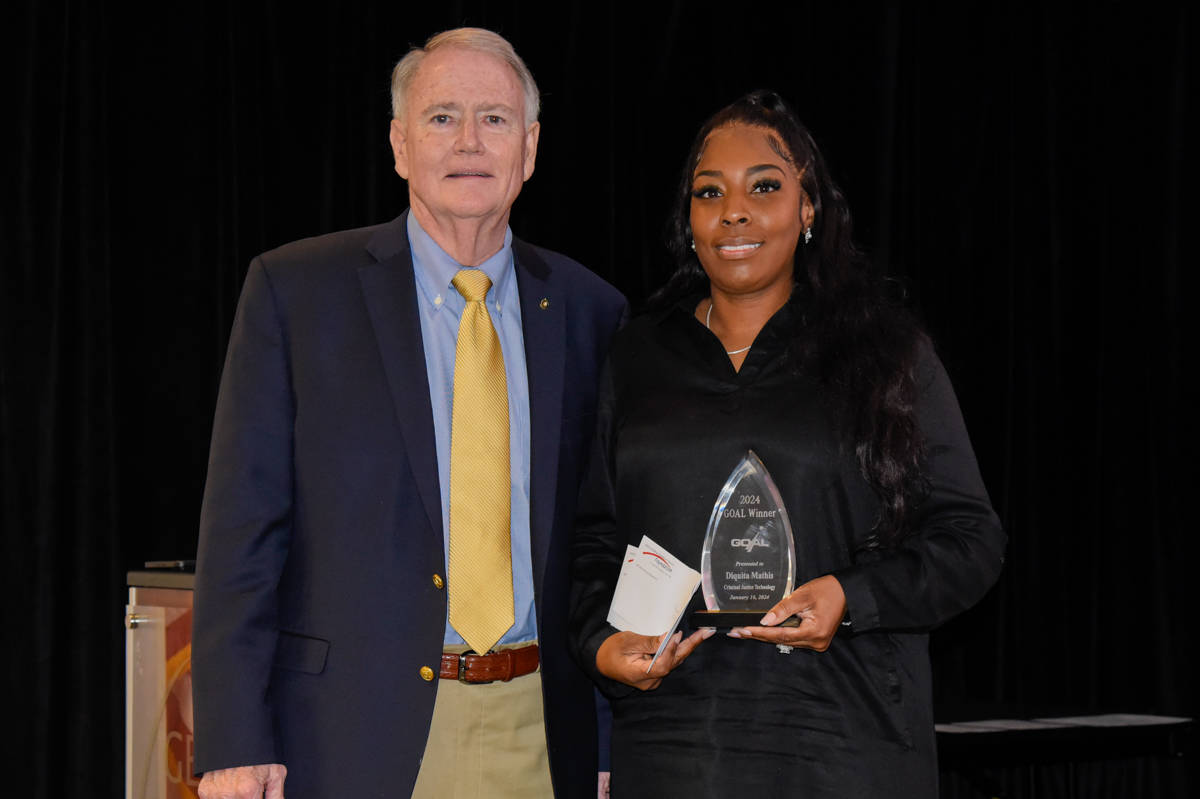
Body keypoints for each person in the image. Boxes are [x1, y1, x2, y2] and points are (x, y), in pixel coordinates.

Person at [191, 28, 627, 799]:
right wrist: (233, 738)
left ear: (528, 149)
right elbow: (241, 534)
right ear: (398, 145)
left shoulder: (592, 312)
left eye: (494, 119)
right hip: (348, 732)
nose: (468, 140)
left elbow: (602, 542)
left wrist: (602, 735)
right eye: (441, 117)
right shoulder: (295, 292)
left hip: (541, 732)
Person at [569, 90, 1006, 797]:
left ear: (809, 209)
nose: (734, 210)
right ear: (689, 220)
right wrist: (601, 642)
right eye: (709, 192)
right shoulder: (637, 356)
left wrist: (854, 596)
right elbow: (591, 542)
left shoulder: (885, 350)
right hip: (677, 747)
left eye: (764, 186)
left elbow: (971, 537)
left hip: (842, 745)